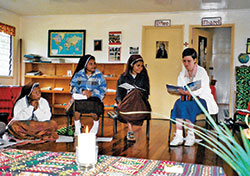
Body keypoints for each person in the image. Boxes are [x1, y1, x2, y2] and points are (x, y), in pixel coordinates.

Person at [170, 48, 218, 147]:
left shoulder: (202, 72)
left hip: (202, 99)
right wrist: (181, 91)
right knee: (178, 103)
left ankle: (190, 135)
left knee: (189, 105)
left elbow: (201, 89)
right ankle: (179, 135)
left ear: (195, 60)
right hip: (187, 99)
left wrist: (189, 92)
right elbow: (180, 86)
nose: (186, 64)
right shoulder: (182, 74)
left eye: (189, 61)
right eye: (184, 61)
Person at [115, 55, 151, 141]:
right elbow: (119, 92)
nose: (141, 68)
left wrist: (137, 91)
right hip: (127, 103)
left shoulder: (144, 76)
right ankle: (130, 130)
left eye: (142, 66)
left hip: (140, 103)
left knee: (135, 92)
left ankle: (118, 111)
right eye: (138, 65)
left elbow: (147, 92)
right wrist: (119, 100)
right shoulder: (123, 77)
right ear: (132, 65)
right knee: (130, 97)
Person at [69, 54, 106, 135]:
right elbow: (72, 87)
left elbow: (103, 90)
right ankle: (77, 128)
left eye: (94, 63)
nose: (94, 66)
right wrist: (82, 91)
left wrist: (92, 93)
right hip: (80, 97)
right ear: (85, 65)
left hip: (94, 99)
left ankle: (96, 124)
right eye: (91, 64)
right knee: (76, 107)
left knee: (93, 107)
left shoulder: (99, 75)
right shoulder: (78, 75)